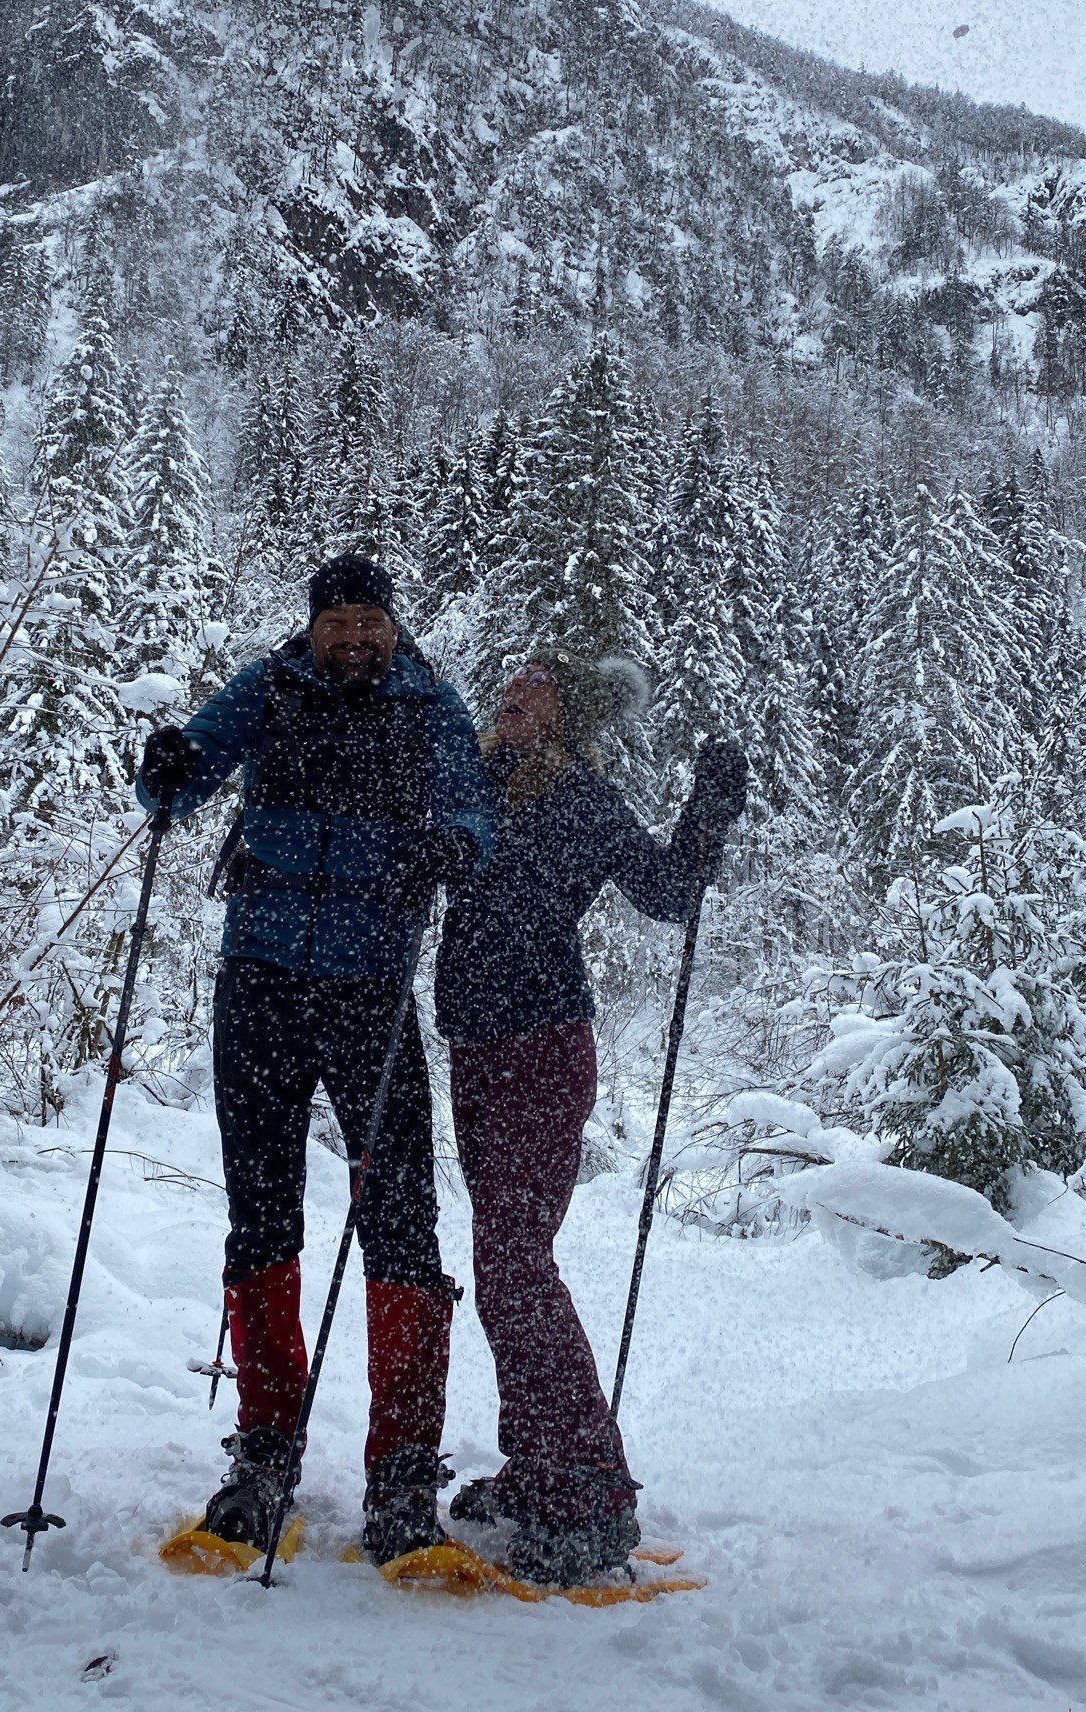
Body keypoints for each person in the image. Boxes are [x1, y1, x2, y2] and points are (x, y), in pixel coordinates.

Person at [136, 554, 492, 1563]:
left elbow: (471, 801)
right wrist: (163, 767)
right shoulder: (270, 685)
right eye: (338, 621)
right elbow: (188, 770)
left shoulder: (429, 704)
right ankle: (264, 1455)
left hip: (370, 986)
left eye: (368, 623)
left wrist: (453, 844)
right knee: (261, 1213)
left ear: (393, 627)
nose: (353, 637)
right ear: (315, 626)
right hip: (259, 976)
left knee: (402, 1221)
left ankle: (403, 1473)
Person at [433, 651, 747, 1587]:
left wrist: (707, 813)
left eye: (534, 697)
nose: (512, 704)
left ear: (564, 721)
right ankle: (540, 1469)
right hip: (475, 1049)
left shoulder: (584, 802)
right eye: (507, 692)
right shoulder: (470, 789)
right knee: (501, 1266)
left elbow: (665, 891)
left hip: (545, 1047)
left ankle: (588, 1491)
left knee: (515, 1263)